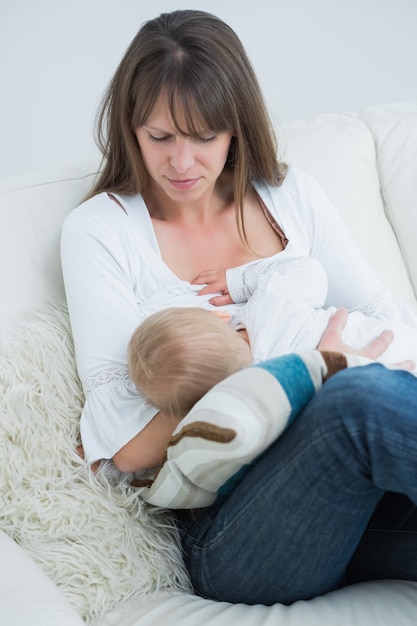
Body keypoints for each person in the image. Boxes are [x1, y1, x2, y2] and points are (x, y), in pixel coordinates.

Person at [60, 9, 417, 606]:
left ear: (236, 128)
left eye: (204, 137)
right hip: (236, 533)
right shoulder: (100, 231)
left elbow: (388, 320)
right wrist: (291, 369)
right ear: (130, 128)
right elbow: (123, 446)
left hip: (353, 504)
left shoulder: (290, 195)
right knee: (358, 399)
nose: (181, 164)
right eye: (160, 137)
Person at [127, 256, 417, 419]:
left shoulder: (262, 406)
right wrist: (239, 281)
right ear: (219, 316)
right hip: (391, 340)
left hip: (388, 393)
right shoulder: (267, 305)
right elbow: (309, 271)